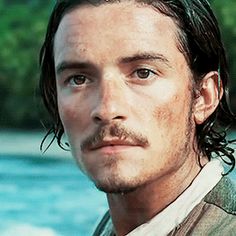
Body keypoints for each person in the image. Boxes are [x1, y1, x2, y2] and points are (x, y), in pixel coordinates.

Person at [39, 0, 236, 235]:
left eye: (143, 73)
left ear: (203, 96)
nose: (107, 109)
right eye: (79, 79)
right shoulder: (113, 226)